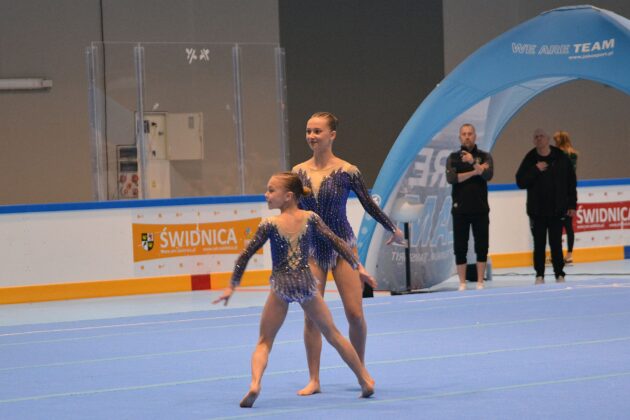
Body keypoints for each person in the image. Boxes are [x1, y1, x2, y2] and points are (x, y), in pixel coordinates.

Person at [213, 172, 375, 408]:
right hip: (306, 284)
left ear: (288, 196)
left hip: (281, 285)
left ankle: (255, 384)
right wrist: (357, 266)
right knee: (334, 334)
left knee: (264, 341)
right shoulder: (310, 218)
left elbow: (245, 256)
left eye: (271, 190)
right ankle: (364, 380)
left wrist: (232, 286)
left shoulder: (269, 224)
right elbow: (338, 242)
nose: (266, 194)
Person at [292, 112, 405, 396]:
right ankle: (314, 379)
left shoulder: (347, 171)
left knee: (354, 314)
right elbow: (292, 210)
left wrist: (392, 227)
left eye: (317, 131)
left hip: (343, 246)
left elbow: (368, 203)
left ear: (332, 135)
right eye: (308, 131)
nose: (311, 136)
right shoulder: (298, 172)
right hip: (312, 249)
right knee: (311, 317)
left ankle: (360, 369)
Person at [516, 128, 577, 284]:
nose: (538, 139)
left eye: (541, 136)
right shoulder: (530, 158)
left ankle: (559, 274)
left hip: (557, 209)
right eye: (536, 137)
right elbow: (520, 181)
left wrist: (572, 204)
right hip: (537, 211)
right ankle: (539, 275)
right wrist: (535, 169)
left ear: (548, 139)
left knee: (556, 243)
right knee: (539, 244)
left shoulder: (560, 157)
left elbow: (571, 182)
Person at [445, 123, 494, 291]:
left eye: (470, 133)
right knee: (460, 247)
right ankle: (462, 282)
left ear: (475, 136)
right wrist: (476, 171)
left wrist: (473, 162)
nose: (467, 136)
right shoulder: (453, 158)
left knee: (482, 246)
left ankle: (480, 281)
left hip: (480, 208)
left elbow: (488, 175)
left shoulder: (484, 156)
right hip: (460, 209)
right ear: (460, 137)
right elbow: (452, 179)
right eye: (464, 134)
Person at [553, 130, 579, 264]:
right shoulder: (573, 154)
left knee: (556, 225)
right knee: (568, 225)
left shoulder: (558, 155)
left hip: (559, 193)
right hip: (570, 191)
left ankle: (558, 254)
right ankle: (569, 254)